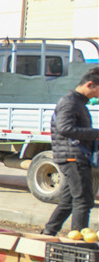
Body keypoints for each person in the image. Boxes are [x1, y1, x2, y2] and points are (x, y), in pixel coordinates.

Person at [42, 65, 99, 236]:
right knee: (83, 200)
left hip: (74, 155)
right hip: (72, 157)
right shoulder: (70, 102)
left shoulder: (78, 103)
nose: (98, 95)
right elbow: (65, 128)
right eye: (98, 91)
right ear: (90, 84)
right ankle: (78, 241)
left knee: (68, 201)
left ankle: (47, 233)